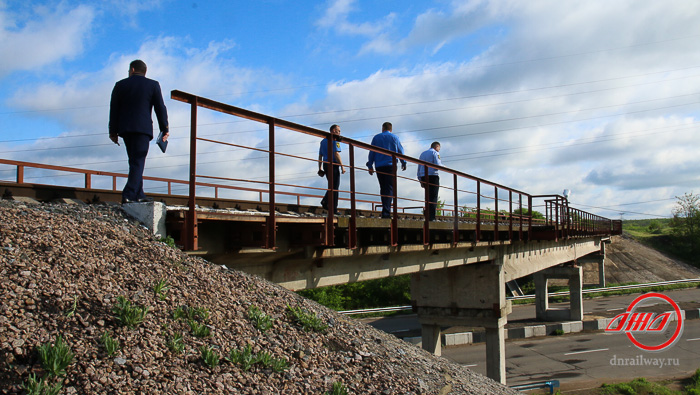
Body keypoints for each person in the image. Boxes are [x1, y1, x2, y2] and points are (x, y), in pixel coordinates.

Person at [109, 59, 169, 204]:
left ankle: (139, 194)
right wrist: (165, 128)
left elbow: (114, 109)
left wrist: (113, 131)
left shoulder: (120, 85)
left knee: (135, 161)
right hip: (143, 129)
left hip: (126, 129)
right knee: (138, 161)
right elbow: (160, 107)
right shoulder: (153, 85)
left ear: (133, 69)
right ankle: (129, 194)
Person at [366, 122, 407, 218]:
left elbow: (372, 151)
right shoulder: (395, 138)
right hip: (390, 165)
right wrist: (403, 162)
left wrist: (370, 165)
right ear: (391, 129)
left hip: (379, 165)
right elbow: (400, 151)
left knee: (383, 187)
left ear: (383, 128)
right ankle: (386, 212)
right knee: (389, 188)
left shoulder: (376, 138)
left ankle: (386, 209)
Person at [318, 124, 345, 214]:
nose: (339, 133)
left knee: (332, 185)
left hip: (326, 165)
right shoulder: (335, 140)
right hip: (333, 164)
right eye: (338, 131)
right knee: (335, 187)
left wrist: (320, 168)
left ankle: (326, 201)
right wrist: (342, 166)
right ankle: (333, 208)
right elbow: (336, 154)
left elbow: (320, 155)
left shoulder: (323, 141)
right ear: (333, 130)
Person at [417, 141, 442, 221]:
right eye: (439, 148)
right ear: (437, 146)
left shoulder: (422, 154)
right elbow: (438, 165)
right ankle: (432, 217)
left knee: (427, 197)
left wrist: (420, 178)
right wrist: (444, 167)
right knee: (433, 197)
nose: (439, 150)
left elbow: (419, 166)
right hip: (433, 176)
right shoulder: (435, 153)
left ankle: (427, 215)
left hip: (424, 176)